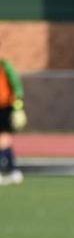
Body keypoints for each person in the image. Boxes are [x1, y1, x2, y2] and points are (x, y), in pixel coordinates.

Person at [0, 55, 25, 185]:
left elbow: (17, 87)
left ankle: (10, 170)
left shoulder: (4, 65)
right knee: (5, 141)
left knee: (4, 139)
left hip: (4, 107)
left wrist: (18, 108)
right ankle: (14, 171)